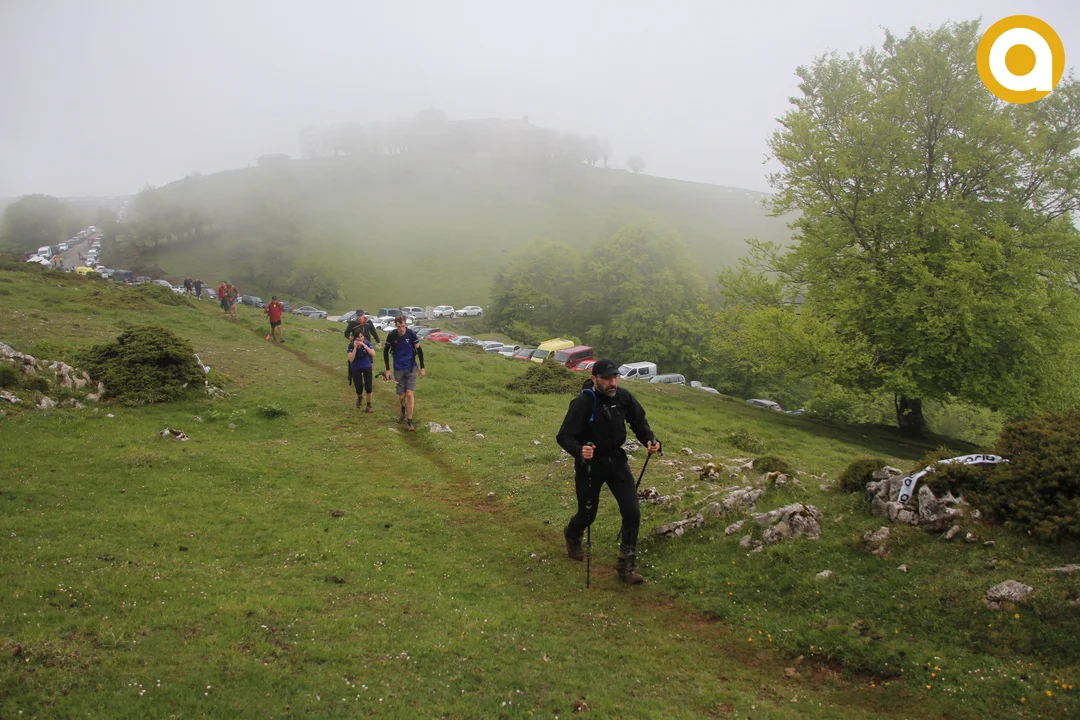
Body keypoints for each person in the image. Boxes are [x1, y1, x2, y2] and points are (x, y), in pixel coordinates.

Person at [556, 359, 661, 585]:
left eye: (615, 377)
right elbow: (564, 436)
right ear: (594, 379)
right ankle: (572, 534)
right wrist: (579, 450)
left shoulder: (623, 397)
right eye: (607, 378)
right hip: (590, 465)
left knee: (632, 511)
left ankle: (626, 565)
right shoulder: (584, 402)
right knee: (588, 514)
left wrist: (650, 439)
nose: (612, 383)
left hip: (616, 461)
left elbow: (638, 421)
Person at [382, 315, 425, 432]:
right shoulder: (392, 335)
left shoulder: (411, 334)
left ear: (406, 325)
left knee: (410, 394)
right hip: (398, 368)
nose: (401, 329)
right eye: (399, 326)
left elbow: (419, 350)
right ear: (395, 326)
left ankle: (409, 422)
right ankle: (403, 407)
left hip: (411, 367)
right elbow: (385, 351)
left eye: (403, 326)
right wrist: (387, 370)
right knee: (402, 396)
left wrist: (422, 368)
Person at [348, 332, 376, 412]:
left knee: (368, 387)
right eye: (358, 337)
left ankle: (369, 405)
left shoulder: (367, 343)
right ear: (355, 338)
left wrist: (365, 346)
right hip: (356, 367)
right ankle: (360, 397)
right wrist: (355, 348)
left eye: (361, 337)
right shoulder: (351, 345)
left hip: (366, 366)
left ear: (363, 337)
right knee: (359, 387)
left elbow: (373, 354)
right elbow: (350, 359)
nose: (360, 339)